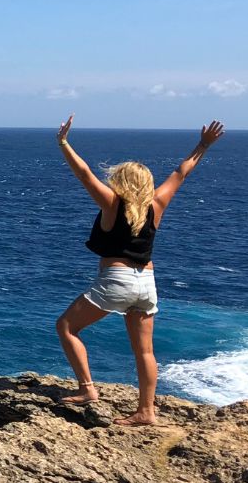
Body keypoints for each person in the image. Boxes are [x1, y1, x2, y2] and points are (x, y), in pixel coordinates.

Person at [53, 115, 225, 426]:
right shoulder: (157, 204)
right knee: (145, 351)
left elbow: (84, 174)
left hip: (116, 280)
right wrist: (203, 144)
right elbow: (181, 172)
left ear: (120, 182)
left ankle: (87, 389)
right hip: (147, 282)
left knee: (67, 327)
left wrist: (63, 143)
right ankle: (147, 411)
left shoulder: (111, 203)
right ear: (146, 184)